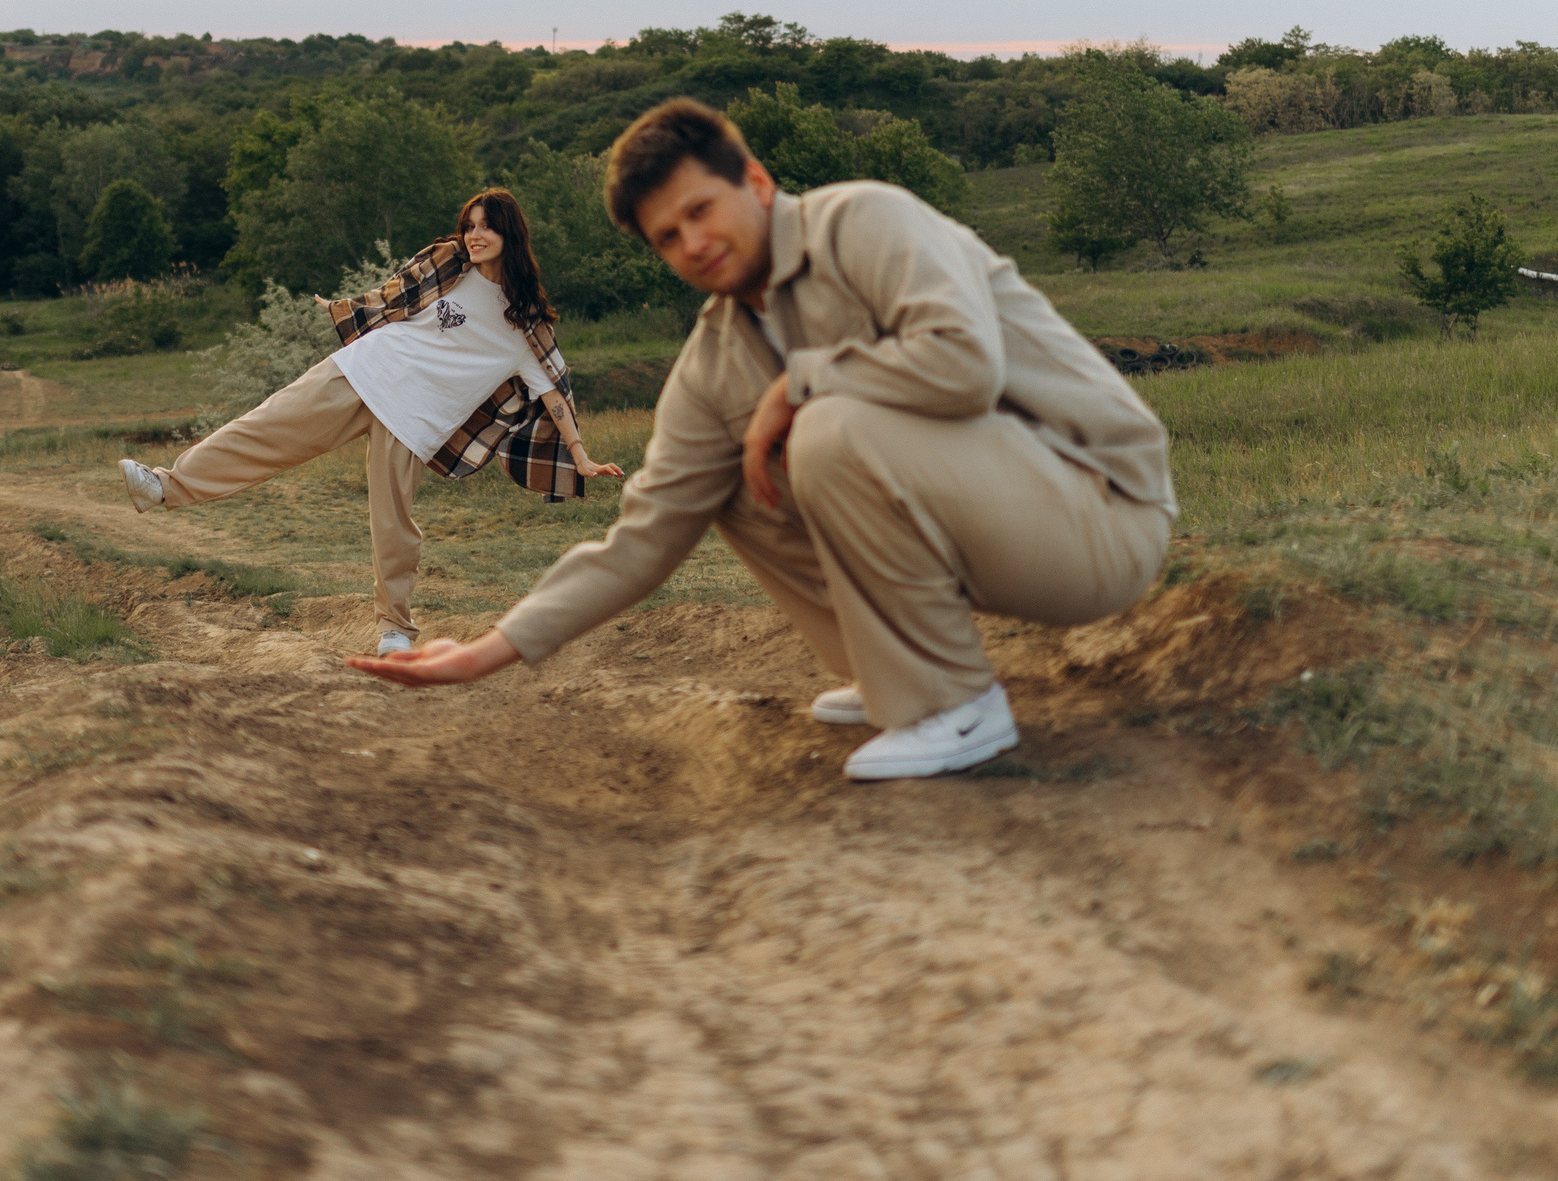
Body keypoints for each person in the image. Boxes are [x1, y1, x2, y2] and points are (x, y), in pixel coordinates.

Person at [349, 98, 1176, 781]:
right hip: (1005, 530)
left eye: (701, 211)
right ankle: (893, 668)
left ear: (756, 181)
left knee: (825, 429)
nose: (694, 244)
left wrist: (801, 382)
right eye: (668, 238)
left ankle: (952, 708)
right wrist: (491, 650)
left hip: (1102, 512)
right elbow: (644, 536)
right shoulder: (718, 357)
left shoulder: (866, 222)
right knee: (734, 479)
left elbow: (965, 367)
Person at [120, 189, 623, 655]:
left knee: (393, 524)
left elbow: (552, 393)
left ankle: (395, 630)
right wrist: (346, 308)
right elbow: (394, 295)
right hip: (363, 370)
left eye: (486, 227)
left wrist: (580, 454)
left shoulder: (523, 321)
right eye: (469, 225)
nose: (473, 235)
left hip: (413, 419)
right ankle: (164, 487)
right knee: (265, 427)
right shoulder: (448, 265)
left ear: (510, 234)